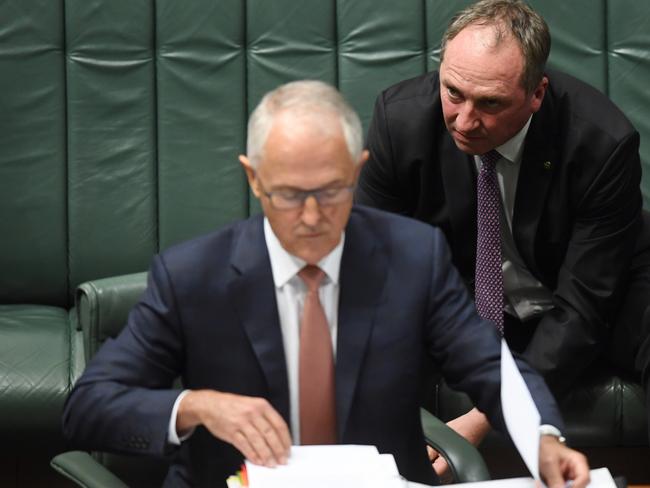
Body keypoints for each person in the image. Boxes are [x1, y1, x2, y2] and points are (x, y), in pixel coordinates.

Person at [62, 80, 589, 487]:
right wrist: (196, 406)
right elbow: (89, 408)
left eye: (333, 191)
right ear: (253, 178)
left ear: (358, 171)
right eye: (289, 195)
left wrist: (542, 437)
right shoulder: (191, 275)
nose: (312, 216)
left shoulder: (413, 257)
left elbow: (490, 367)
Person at [356, 0, 650, 476]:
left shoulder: (602, 142)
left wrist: (487, 416)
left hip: (586, 293)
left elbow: (583, 309)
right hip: (465, 304)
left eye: (490, 103)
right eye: (453, 92)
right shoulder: (400, 121)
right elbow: (373, 273)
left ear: (536, 93)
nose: (465, 120)